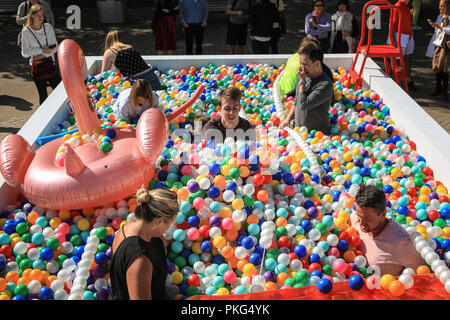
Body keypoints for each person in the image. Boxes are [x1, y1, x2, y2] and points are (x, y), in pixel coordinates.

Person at [110, 186, 179, 300]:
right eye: (169, 224)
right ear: (159, 221)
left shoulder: (125, 229)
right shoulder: (141, 261)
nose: (168, 229)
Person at [350, 185, 426, 276]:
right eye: (359, 215)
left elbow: (423, 271)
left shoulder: (400, 243)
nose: (361, 223)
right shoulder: (355, 217)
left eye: (367, 219)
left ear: (383, 214)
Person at [279, 43, 333, 134]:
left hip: (317, 136)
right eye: (301, 64)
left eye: (305, 64)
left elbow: (304, 105)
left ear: (317, 63)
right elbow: (297, 101)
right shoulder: (303, 77)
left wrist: (302, 82)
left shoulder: (325, 84)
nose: (301, 68)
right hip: (298, 131)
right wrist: (287, 120)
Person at [21, 3, 60, 105]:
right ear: (32, 16)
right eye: (38, 15)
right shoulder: (26, 31)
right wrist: (41, 50)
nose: (41, 18)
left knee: (59, 91)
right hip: (36, 68)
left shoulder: (48, 27)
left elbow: (56, 47)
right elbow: (24, 52)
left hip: (50, 65)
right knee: (43, 96)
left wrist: (44, 54)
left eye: (42, 15)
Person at [426, 0, 449, 102]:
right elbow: (438, 31)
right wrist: (435, 26)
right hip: (438, 44)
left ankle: (444, 90)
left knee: (444, 67)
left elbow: (448, 30)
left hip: (446, 46)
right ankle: (438, 88)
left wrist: (439, 27)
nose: (440, 8)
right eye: (440, 6)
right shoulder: (440, 16)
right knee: (437, 66)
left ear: (448, 6)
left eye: (442, 6)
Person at [392, 0, 417, 92]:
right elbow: (392, 23)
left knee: (408, 59)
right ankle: (395, 83)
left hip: (408, 36)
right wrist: (393, 39)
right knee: (397, 62)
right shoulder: (398, 5)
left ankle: (408, 81)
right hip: (399, 36)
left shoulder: (407, 6)